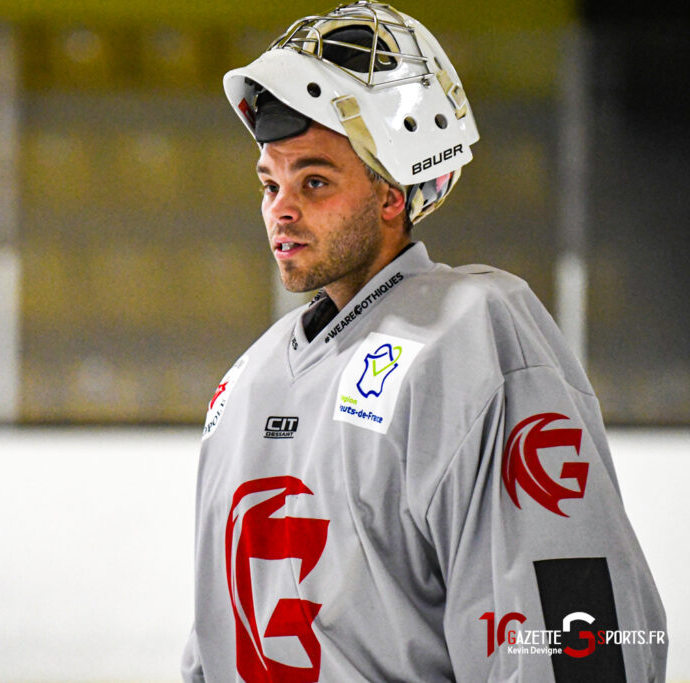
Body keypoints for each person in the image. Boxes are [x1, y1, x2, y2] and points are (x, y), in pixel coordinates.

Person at [182, 2, 667, 681]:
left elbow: (573, 641)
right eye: (270, 182)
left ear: (390, 196)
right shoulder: (243, 382)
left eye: (314, 180)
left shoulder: (472, 336)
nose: (280, 209)